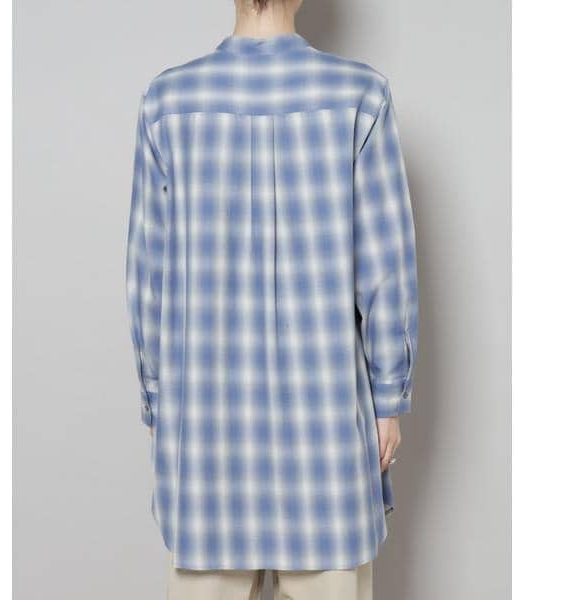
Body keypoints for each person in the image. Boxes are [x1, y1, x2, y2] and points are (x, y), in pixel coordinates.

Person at [126, 0, 418, 598]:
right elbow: (386, 266)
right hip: (326, 431)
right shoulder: (359, 96)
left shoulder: (167, 102)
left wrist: (157, 398)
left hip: (205, 428)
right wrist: (388, 396)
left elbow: (146, 275)